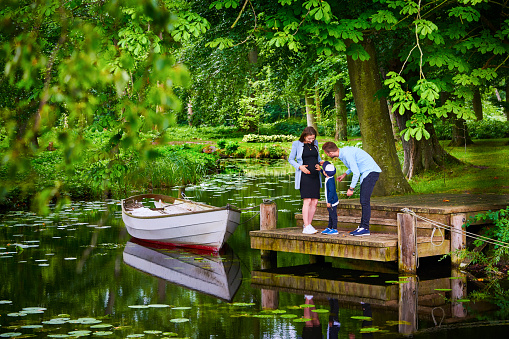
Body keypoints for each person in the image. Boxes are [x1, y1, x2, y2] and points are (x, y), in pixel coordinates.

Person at [321, 142, 381, 236]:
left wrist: (351, 188)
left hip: (371, 172)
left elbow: (356, 172)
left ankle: (365, 228)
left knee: (364, 201)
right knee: (363, 201)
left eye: (327, 154)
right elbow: (352, 166)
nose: (327, 155)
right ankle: (362, 226)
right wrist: (344, 174)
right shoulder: (343, 153)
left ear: (330, 153)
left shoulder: (346, 154)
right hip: (368, 173)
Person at [288, 126, 322, 234]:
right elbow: (290, 159)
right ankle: (306, 226)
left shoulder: (315, 143)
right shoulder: (296, 144)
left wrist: (321, 166)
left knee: (315, 202)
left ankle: (308, 225)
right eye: (309, 138)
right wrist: (300, 167)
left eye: (313, 138)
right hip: (304, 176)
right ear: (304, 135)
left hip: (315, 176)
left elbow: (318, 159)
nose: (311, 140)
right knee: (307, 200)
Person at [319, 161, 339, 235]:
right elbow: (325, 176)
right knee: (330, 215)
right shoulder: (329, 177)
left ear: (326, 173)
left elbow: (331, 191)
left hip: (332, 202)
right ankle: (329, 227)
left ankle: (334, 229)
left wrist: (329, 202)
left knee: (333, 215)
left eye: (323, 170)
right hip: (331, 201)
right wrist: (320, 170)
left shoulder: (330, 181)